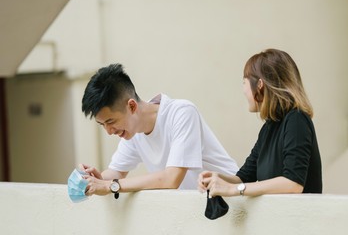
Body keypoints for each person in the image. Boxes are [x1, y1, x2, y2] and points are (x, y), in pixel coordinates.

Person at [79, 63, 238, 199]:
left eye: (111, 121)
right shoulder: (132, 132)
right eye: (102, 125)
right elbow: (116, 173)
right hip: (198, 207)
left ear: (132, 106)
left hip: (232, 200)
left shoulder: (182, 113)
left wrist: (110, 186)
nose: (109, 131)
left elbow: (171, 180)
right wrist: (95, 180)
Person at [198, 48, 322, 198]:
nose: (243, 90)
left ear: (259, 85)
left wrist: (235, 190)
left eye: (244, 82)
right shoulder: (269, 128)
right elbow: (243, 177)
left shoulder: (296, 120)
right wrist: (216, 178)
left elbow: (293, 183)